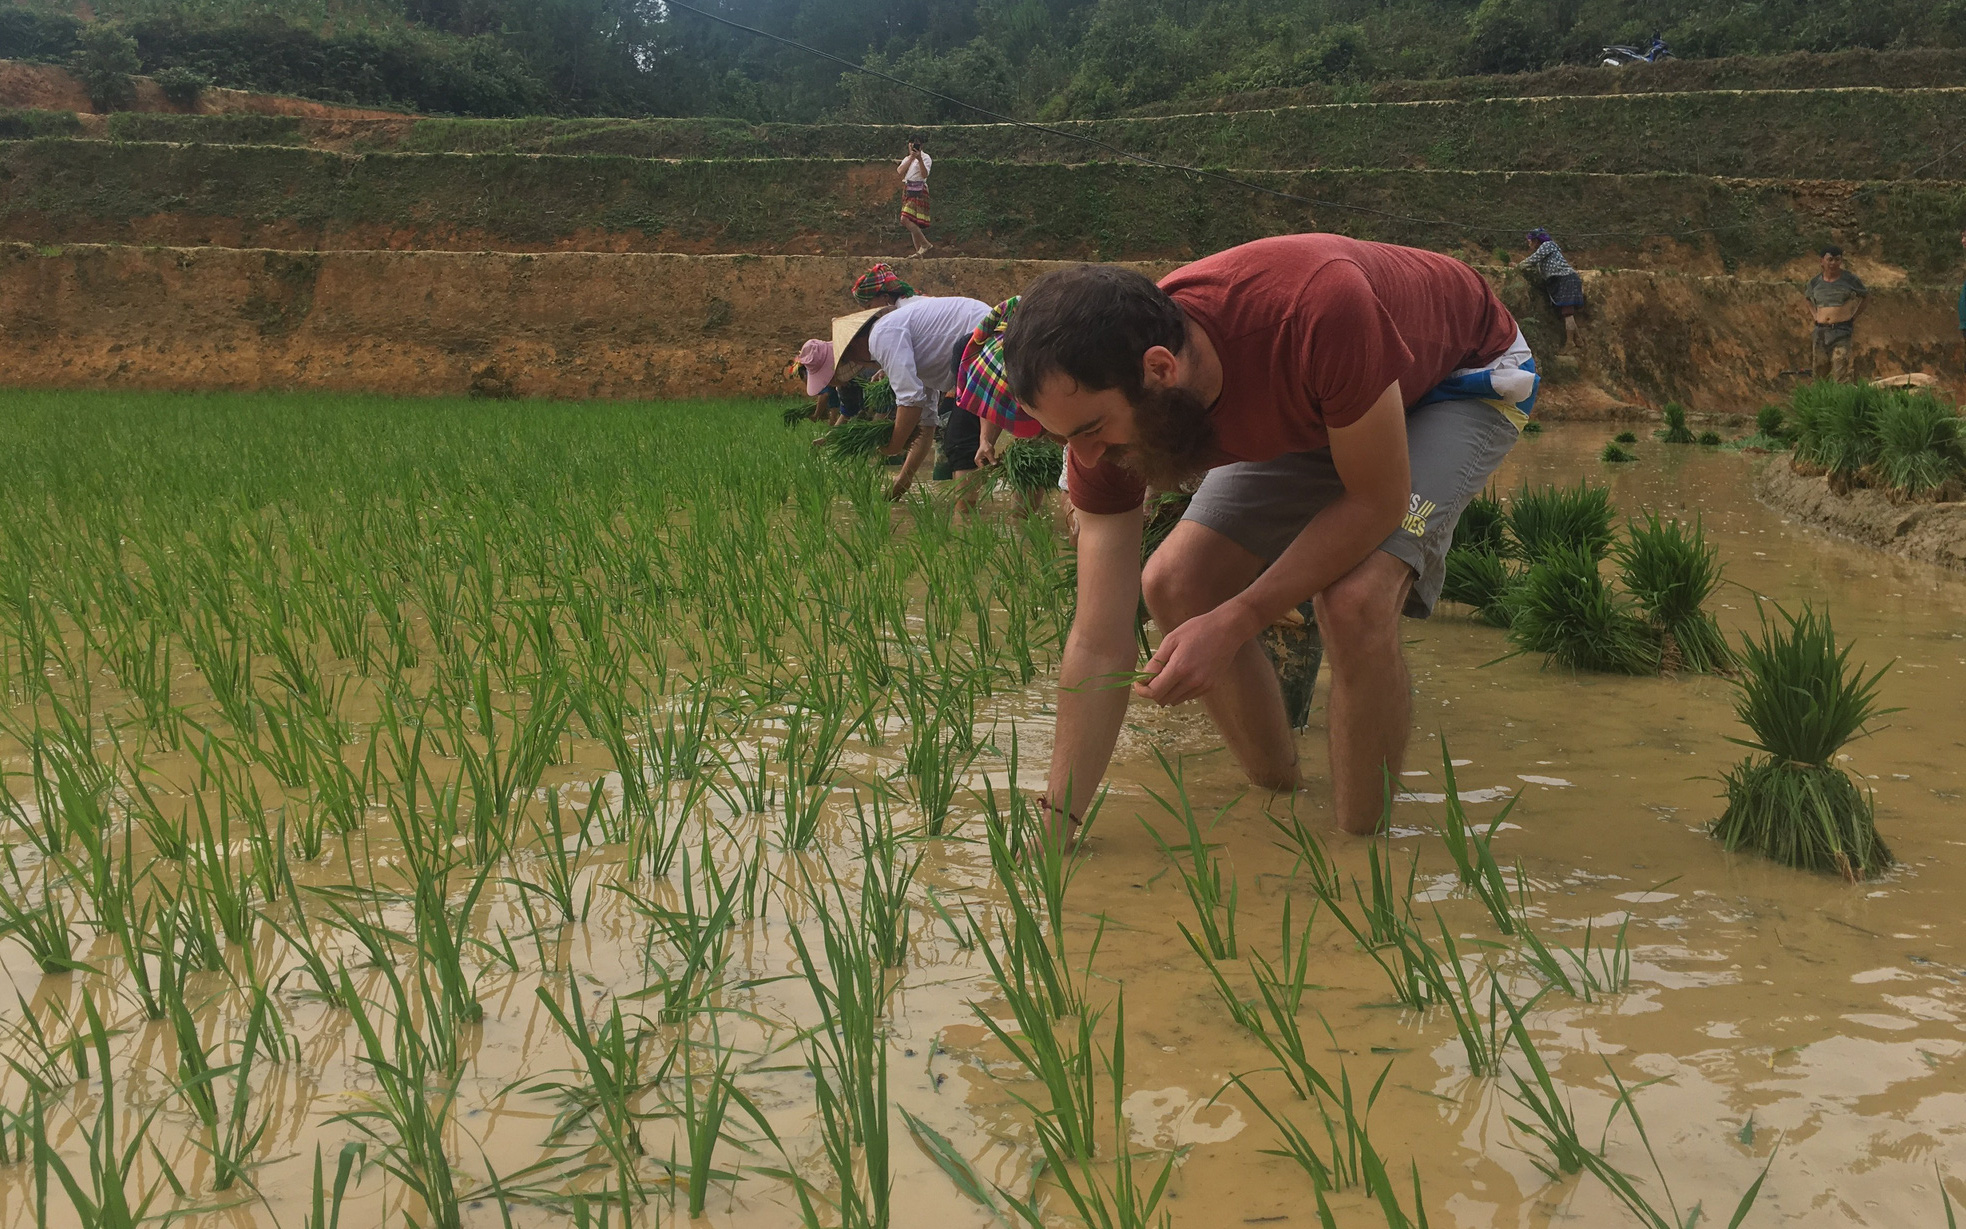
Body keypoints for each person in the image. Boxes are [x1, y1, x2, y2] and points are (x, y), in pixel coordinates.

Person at [1002, 234, 1537, 840]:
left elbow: (1377, 500)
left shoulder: (1313, 309)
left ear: (1159, 369)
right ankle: (1281, 799)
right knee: (1177, 583)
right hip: (1328, 404)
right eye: (1062, 437)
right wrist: (1060, 814)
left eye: (1094, 429)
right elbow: (1098, 639)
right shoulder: (1101, 426)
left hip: (1460, 382)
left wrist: (1238, 619)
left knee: (1356, 602)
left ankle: (1361, 858)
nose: (1086, 455)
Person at [807, 293, 991, 499]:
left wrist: (893, 445)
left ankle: (964, 522)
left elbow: (910, 401)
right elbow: (927, 421)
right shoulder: (906, 346)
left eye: (848, 358)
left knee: (959, 442)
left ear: (852, 347)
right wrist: (904, 479)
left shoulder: (881, 335)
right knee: (962, 439)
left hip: (980, 340)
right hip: (974, 348)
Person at [1804, 244, 1867, 383]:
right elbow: (1808, 299)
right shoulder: (1815, 282)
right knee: (1820, 374)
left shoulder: (1850, 280)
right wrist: (1815, 315)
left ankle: (1840, 402)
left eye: (1837, 260)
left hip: (1841, 331)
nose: (1833, 263)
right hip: (1821, 332)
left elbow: (1865, 296)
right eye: (1830, 259)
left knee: (1840, 371)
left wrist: (1854, 316)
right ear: (1822, 261)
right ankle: (1821, 402)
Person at [1517, 228, 1586, 349]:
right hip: (1564, 279)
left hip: (1565, 279)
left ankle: (1570, 342)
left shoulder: (1547, 246)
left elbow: (1533, 259)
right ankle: (1578, 339)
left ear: (1536, 241)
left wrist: (1518, 267)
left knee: (1567, 313)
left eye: (1530, 241)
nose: (1529, 244)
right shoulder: (1544, 254)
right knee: (1568, 311)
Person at [898, 139, 933, 258]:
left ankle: (925, 244)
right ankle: (919, 253)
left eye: (916, 143)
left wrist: (919, 159)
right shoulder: (907, 158)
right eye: (911, 143)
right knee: (911, 221)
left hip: (919, 189)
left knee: (905, 219)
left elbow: (924, 174)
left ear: (921, 146)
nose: (913, 145)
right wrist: (912, 158)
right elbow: (900, 171)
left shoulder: (926, 158)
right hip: (908, 188)